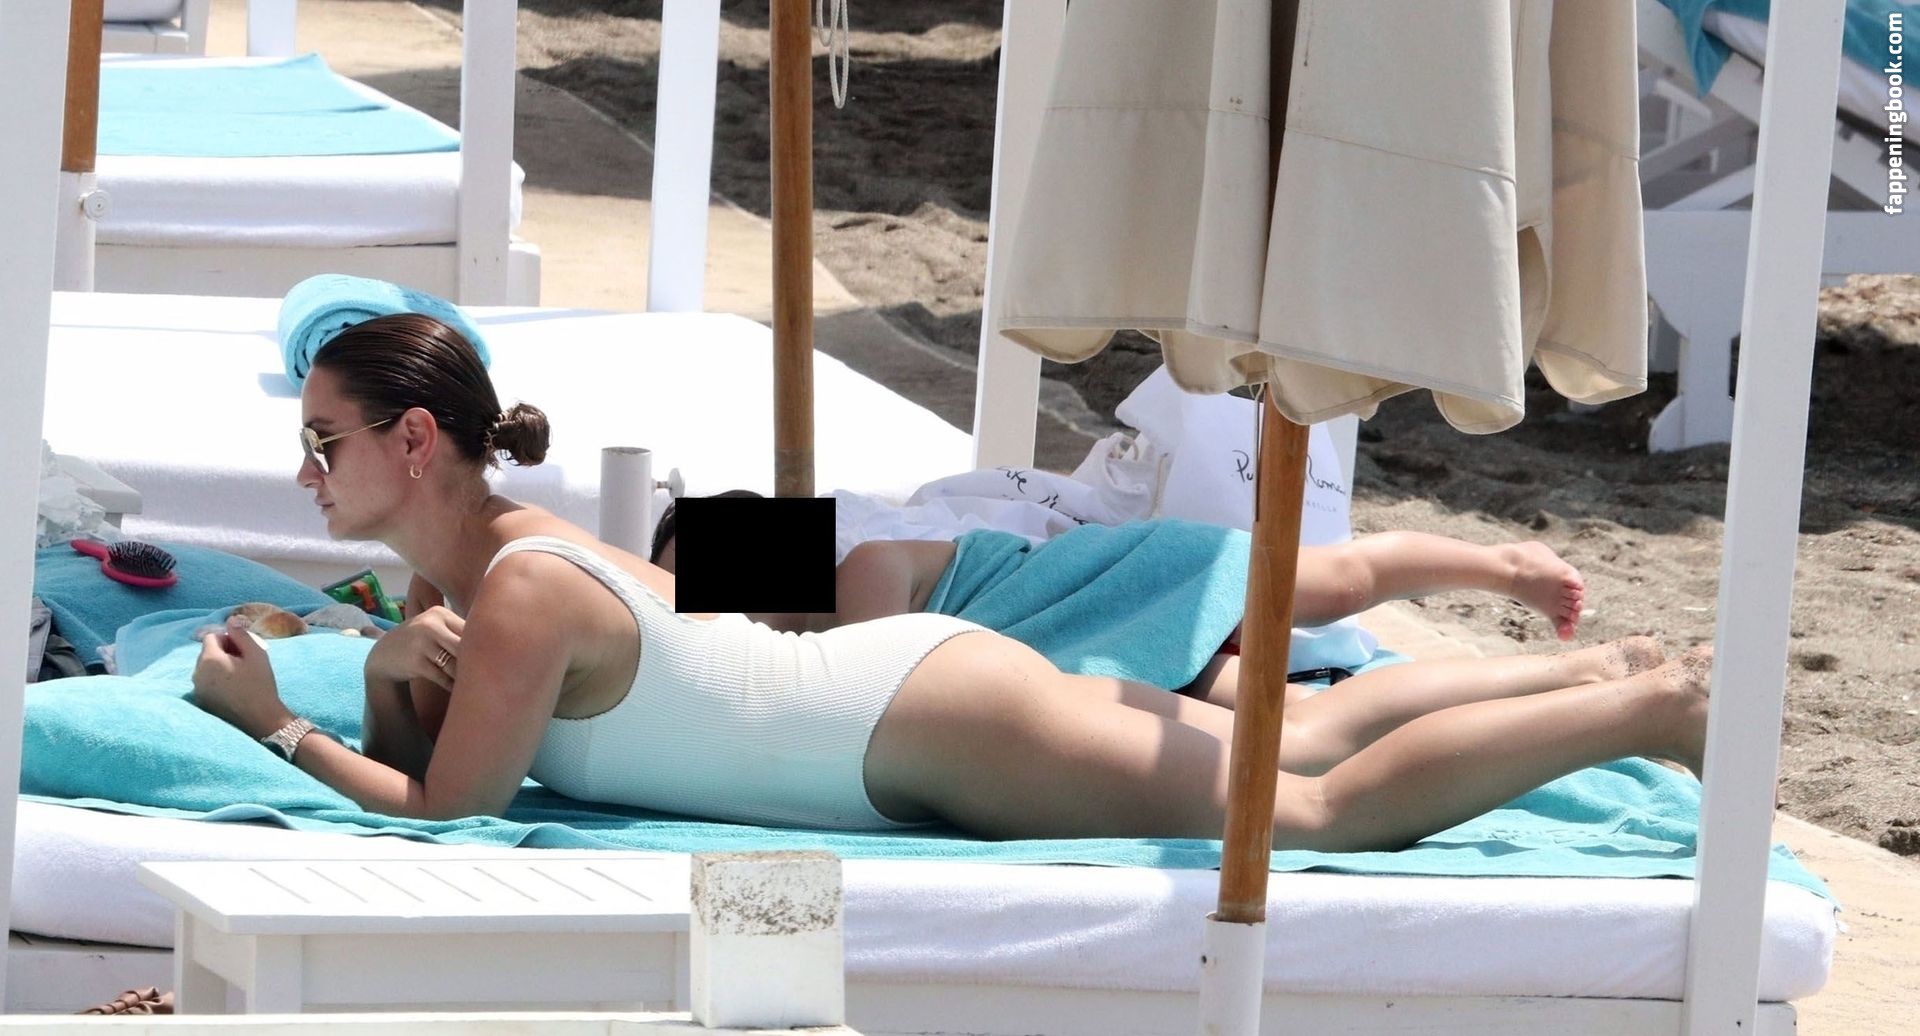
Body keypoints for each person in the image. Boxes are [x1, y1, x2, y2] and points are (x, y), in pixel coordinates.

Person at [191, 312, 1712, 851]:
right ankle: (1590, 678)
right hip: (909, 695)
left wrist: (278, 727)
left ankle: (1645, 713)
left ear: (414, 442)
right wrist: (377, 675)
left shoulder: (520, 592)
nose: (306, 470)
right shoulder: (497, 577)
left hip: (920, 717)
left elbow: (452, 812)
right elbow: (445, 761)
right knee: (1291, 741)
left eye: (324, 442)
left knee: (1302, 809)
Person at [651, 498, 1589, 710]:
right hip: (1086, 654)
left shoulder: (861, 570)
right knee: (1268, 711)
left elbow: (880, 668)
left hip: (1119, 580)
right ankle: (1526, 690)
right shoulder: (810, 631)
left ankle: (1503, 565)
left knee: (1329, 583)